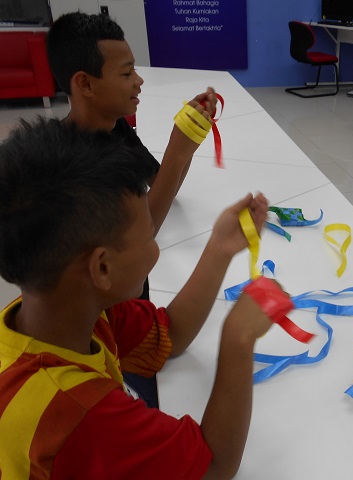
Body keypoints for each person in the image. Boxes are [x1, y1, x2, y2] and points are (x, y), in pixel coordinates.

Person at [0, 118, 274, 479]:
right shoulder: (82, 414)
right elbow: (214, 467)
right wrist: (238, 339)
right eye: (149, 236)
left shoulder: (63, 312)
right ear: (102, 267)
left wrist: (220, 247)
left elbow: (169, 334)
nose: (155, 249)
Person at [47, 11, 217, 404]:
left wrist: (187, 138)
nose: (138, 81)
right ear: (84, 84)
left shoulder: (116, 128)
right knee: (136, 387)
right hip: (110, 318)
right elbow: (143, 234)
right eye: (126, 74)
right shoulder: (68, 166)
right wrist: (178, 152)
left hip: (131, 301)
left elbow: (160, 187)